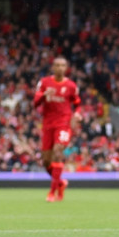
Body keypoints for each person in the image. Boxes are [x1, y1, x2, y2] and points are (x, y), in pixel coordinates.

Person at [33, 55, 81, 202]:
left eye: (63, 65)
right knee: (46, 161)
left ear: (66, 68)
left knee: (58, 152)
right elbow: (35, 103)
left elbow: (77, 104)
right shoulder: (44, 83)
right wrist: (43, 96)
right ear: (53, 67)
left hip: (64, 124)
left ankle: (52, 193)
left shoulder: (72, 86)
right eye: (57, 65)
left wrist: (77, 115)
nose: (60, 68)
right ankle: (60, 183)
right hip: (48, 125)